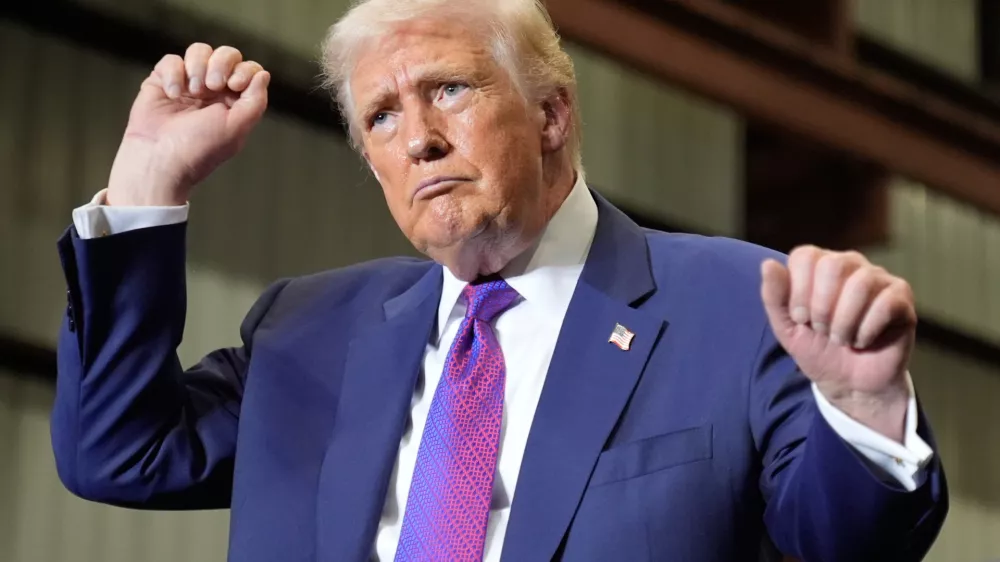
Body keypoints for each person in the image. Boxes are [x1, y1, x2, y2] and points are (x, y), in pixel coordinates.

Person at [52, 0, 947, 560]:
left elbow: (846, 544)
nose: (418, 139)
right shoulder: (305, 331)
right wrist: (145, 186)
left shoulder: (739, 305)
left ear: (553, 114)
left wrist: (865, 418)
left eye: (448, 90)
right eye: (381, 117)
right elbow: (118, 452)